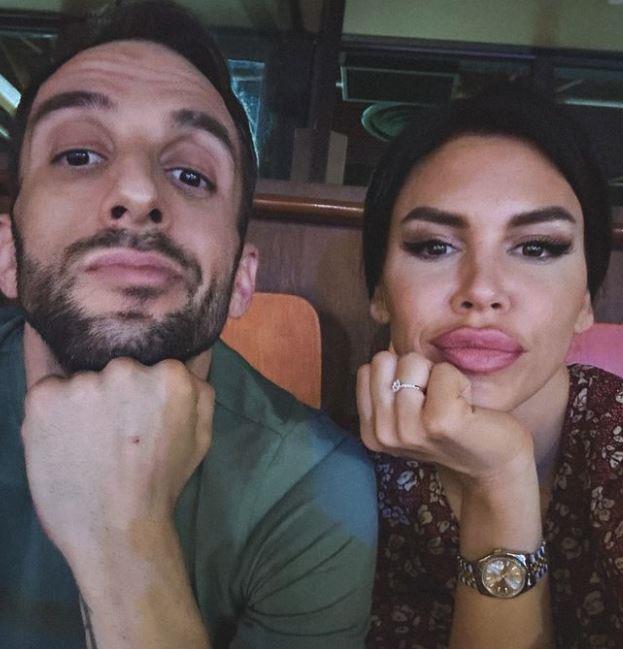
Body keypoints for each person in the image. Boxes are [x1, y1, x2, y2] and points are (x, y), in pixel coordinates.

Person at [0, 2, 377, 647]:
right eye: (79, 155)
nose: (138, 193)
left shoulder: (313, 486)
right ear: (8, 255)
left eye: (190, 174)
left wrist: (127, 539)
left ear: (242, 281)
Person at [357, 83, 623, 649]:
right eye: (434, 246)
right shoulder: (315, 475)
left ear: (585, 300)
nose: (482, 291)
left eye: (536, 247)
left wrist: (499, 476)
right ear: (380, 292)